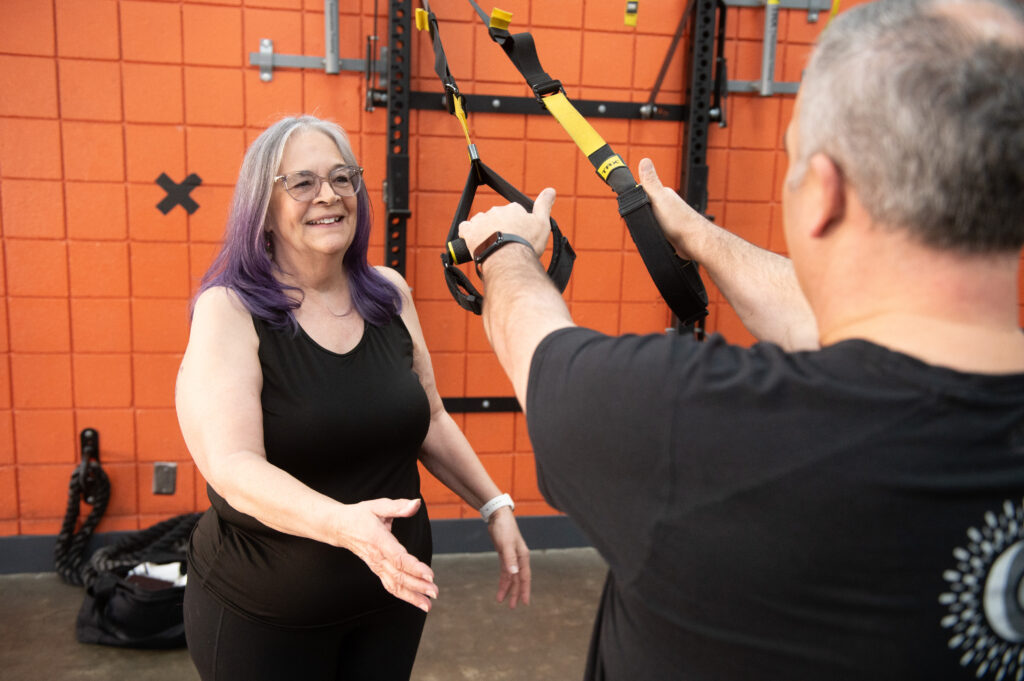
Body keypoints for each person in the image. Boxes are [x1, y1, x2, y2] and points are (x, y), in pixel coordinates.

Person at [457, 0, 1024, 679]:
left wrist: (503, 247)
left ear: (823, 193)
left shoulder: (694, 425)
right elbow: (852, 326)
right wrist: (698, 237)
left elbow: (534, 346)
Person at [175, 115, 530, 681]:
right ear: (262, 206)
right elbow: (232, 464)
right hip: (267, 618)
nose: (329, 196)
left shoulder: (388, 294)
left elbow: (430, 418)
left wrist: (494, 504)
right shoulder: (231, 310)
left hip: (392, 599)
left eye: (343, 178)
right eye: (304, 182)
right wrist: (342, 525)